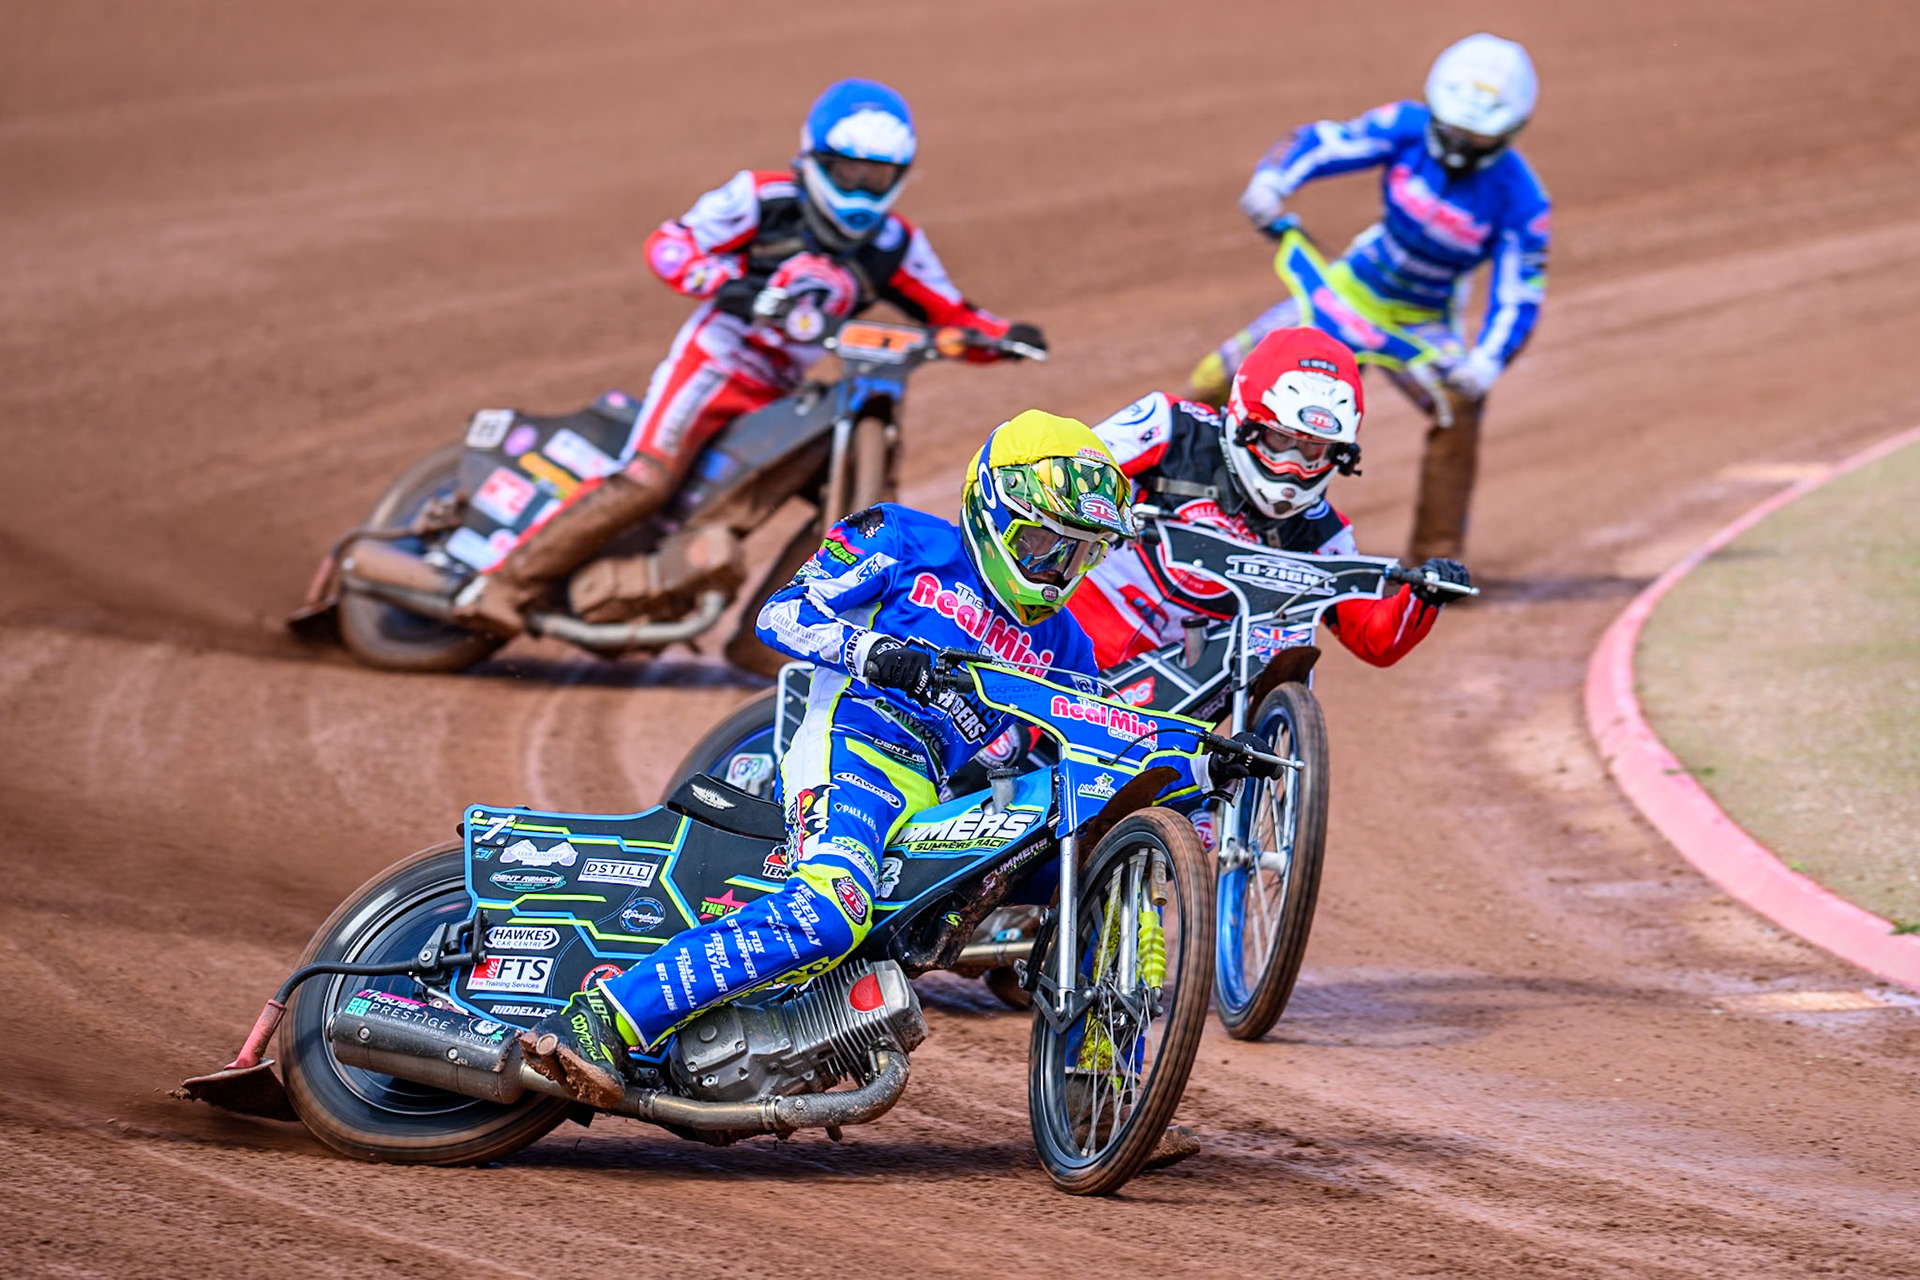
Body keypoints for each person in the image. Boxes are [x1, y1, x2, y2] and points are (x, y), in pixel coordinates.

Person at [519, 411, 1137, 1106]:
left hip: (940, 793)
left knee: (1107, 873)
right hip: (852, 739)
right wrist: (869, 651)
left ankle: (1105, 1093)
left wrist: (1198, 775)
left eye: (1080, 554)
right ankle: (603, 1019)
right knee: (828, 912)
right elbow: (780, 614)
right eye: (1045, 542)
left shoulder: (1068, 642)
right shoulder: (903, 537)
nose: (1057, 570)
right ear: (993, 505)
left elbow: (1101, 738)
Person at [456, 78, 1045, 636]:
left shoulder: (895, 243)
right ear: (813, 159)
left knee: (839, 511)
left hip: (784, 387)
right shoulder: (761, 198)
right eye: (849, 173)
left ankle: (769, 635)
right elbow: (670, 243)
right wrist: (726, 284)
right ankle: (498, 585)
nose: (862, 191)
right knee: (646, 479)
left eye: (878, 177)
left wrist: (1004, 336)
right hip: (715, 361)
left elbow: (952, 312)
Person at [1191, 33, 1550, 563]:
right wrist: (1272, 182)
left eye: (1477, 138)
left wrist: (1486, 364)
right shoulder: (1404, 127)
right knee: (1220, 376)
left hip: (1423, 321)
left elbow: (1520, 291)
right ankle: (1162, 488)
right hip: (1346, 289)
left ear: (1510, 132)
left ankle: (1436, 556)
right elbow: (1326, 142)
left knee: (1460, 407)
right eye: (1451, 130)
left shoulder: (1522, 199)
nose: (1458, 147)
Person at [1072, 327, 1471, 670]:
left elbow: (1373, 638)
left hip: (1173, 694)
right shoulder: (1169, 426)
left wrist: (1422, 595)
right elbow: (1069, 468)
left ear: (1337, 454)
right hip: (1066, 634)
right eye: (1281, 439)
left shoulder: (1322, 533)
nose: (1292, 465)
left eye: (1312, 449)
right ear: (1248, 420)